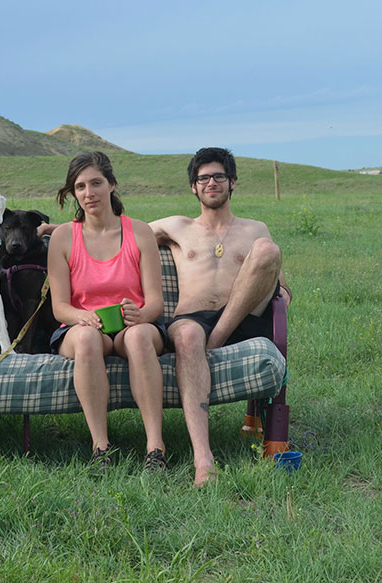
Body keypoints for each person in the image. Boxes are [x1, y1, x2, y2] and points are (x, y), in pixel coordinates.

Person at [150, 147, 291, 487]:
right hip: (192, 320)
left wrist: (283, 293)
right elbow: (118, 232)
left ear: (232, 182)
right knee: (187, 336)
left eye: (218, 176)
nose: (211, 183)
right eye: (203, 178)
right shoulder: (177, 226)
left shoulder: (255, 228)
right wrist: (56, 229)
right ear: (193, 187)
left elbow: (281, 284)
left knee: (267, 249)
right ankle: (203, 460)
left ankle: (214, 342)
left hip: (245, 319)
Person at [48, 151, 168, 472]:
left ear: (111, 185)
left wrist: (140, 314)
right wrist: (81, 317)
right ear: (74, 193)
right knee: (87, 339)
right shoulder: (63, 237)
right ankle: (101, 448)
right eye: (80, 186)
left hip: (134, 325)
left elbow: (156, 302)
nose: (89, 193)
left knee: (139, 337)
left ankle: (155, 448)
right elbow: (59, 307)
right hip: (84, 328)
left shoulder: (139, 232)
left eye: (96, 183)